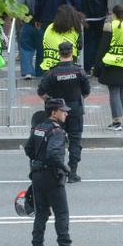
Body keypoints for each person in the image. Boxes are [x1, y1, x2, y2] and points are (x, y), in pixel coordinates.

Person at [24, 98, 86, 246]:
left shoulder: (39, 127)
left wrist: (39, 160)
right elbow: (53, 154)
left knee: (41, 213)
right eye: (63, 110)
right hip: (52, 176)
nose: (66, 113)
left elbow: (28, 148)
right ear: (54, 112)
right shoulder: (57, 131)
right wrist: (65, 168)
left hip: (37, 175)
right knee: (62, 213)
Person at [37, 41, 90, 183]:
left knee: (57, 141)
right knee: (75, 141)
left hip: (57, 112)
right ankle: (72, 173)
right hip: (75, 110)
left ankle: (59, 171)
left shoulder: (52, 72)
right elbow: (86, 92)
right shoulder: (79, 71)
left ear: (59, 53)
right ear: (72, 52)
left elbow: (41, 92)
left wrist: (51, 103)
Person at [97, 5, 123, 130]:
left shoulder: (110, 26)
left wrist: (97, 66)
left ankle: (116, 122)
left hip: (112, 63)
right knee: (121, 90)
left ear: (113, 14)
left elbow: (103, 48)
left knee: (114, 90)